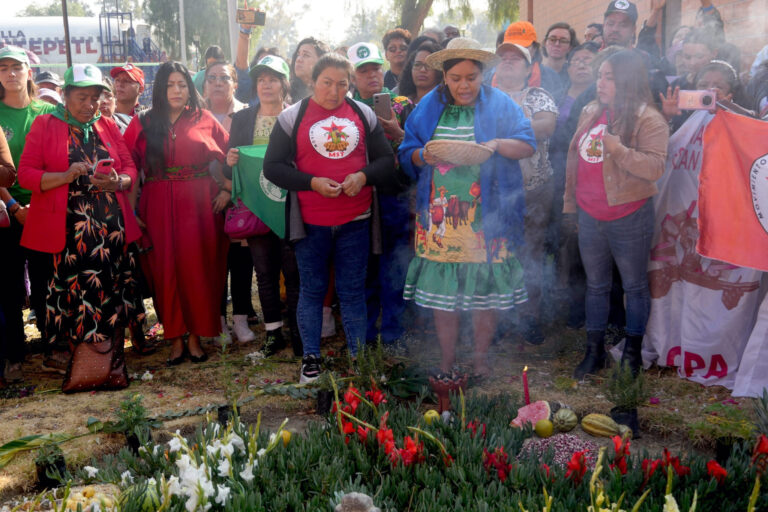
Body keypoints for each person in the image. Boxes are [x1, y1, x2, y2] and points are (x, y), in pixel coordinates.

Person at [399, 38, 536, 376]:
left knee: (484, 290)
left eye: (471, 77)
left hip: (487, 218)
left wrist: (497, 144)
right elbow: (407, 152)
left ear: (482, 75)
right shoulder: (428, 106)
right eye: (456, 77)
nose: (464, 85)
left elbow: (527, 145)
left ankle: (479, 360)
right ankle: (447, 361)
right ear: (444, 77)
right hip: (441, 217)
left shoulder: (501, 104)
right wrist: (422, 155)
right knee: (444, 292)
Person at [263, 53, 395, 382]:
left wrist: (362, 176)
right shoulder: (292, 117)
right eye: (327, 83)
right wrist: (311, 183)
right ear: (312, 81)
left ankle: (357, 357)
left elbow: (386, 160)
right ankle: (310, 359)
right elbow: (272, 167)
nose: (334, 92)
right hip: (310, 221)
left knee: (351, 291)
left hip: (356, 219)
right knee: (312, 290)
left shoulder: (364, 114)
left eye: (342, 84)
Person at [17, 64, 143, 392]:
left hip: (110, 230)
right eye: (82, 97)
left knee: (110, 294)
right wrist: (66, 175)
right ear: (65, 95)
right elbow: (26, 174)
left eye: (96, 97)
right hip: (70, 232)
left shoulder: (106, 124)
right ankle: (82, 365)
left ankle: (109, 364)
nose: (90, 104)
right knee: (77, 297)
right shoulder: (46, 124)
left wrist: (120, 180)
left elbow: (129, 166)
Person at [563, 50, 669, 379]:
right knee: (596, 286)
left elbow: (654, 167)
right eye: (600, 75)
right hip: (590, 214)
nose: (601, 82)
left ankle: (632, 355)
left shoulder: (648, 118)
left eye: (609, 76)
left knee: (634, 287)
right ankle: (593, 352)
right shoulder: (591, 110)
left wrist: (619, 149)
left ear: (627, 80)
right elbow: (574, 162)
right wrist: (570, 206)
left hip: (629, 215)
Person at [123, 61, 230, 366]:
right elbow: (129, 167)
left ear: (190, 88)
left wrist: (226, 190)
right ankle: (174, 338)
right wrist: (131, 210)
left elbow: (230, 157)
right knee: (164, 270)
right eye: (170, 84)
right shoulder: (142, 122)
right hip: (156, 203)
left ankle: (196, 336)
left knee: (198, 268)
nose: (177, 90)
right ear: (160, 89)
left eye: (182, 84)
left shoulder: (204, 118)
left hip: (199, 204)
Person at [225, 55, 302, 356]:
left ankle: (298, 332)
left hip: (290, 207)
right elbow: (228, 163)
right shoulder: (243, 119)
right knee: (265, 273)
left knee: (293, 273)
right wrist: (229, 160)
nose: (266, 85)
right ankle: (273, 334)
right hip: (256, 207)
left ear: (284, 84)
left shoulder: (296, 116)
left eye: (272, 79)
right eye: (260, 79)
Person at [347, 42, 414, 349]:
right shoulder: (343, 110)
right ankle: (364, 332)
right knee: (363, 266)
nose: (372, 75)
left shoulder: (402, 104)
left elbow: (417, 148)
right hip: (356, 195)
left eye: (376, 68)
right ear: (352, 75)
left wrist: (398, 131)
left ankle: (393, 331)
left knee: (394, 264)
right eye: (364, 70)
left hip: (393, 194)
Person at [493, 41, 558, 344]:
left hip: (533, 190)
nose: (508, 62)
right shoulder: (485, 97)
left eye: (515, 59)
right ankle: (500, 317)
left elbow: (545, 126)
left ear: (529, 67)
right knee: (496, 253)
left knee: (530, 253)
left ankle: (528, 318)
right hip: (493, 190)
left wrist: (504, 129)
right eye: (503, 58)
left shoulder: (539, 96)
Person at [0, 46, 57, 383]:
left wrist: (40, 205)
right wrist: (13, 206)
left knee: (46, 283)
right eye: (3, 68)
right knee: (8, 286)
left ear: (29, 72)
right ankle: (15, 354)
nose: (10, 74)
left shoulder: (48, 112)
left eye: (16, 67)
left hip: (45, 209)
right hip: (7, 212)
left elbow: (58, 162)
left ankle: (52, 346)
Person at [202, 60, 257, 344]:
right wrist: (217, 189)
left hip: (240, 198)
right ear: (204, 84)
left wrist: (229, 190)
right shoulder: (196, 116)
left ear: (235, 83)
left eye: (224, 77)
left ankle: (241, 318)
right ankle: (218, 320)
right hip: (206, 201)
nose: (218, 82)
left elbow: (249, 159)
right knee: (214, 260)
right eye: (211, 78)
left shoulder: (247, 114)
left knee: (241, 258)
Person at [549, 42, 600, 328]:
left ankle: (585, 311)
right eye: (576, 60)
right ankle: (565, 306)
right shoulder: (555, 97)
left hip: (591, 180)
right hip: (558, 178)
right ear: (568, 67)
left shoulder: (603, 99)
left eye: (587, 60)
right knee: (564, 244)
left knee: (586, 247)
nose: (581, 64)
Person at [492, 21, 564, 101]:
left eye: (524, 47)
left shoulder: (551, 78)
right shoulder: (488, 78)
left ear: (535, 48)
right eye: (512, 47)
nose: (518, 51)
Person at [396, 40, 443, 105]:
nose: (422, 70)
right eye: (417, 65)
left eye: (428, 65)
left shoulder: (444, 106)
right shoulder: (401, 105)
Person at [289, 38, 330, 102]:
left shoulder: (332, 94)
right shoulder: (286, 94)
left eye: (306, 55)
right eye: (298, 55)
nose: (298, 59)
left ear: (321, 61)